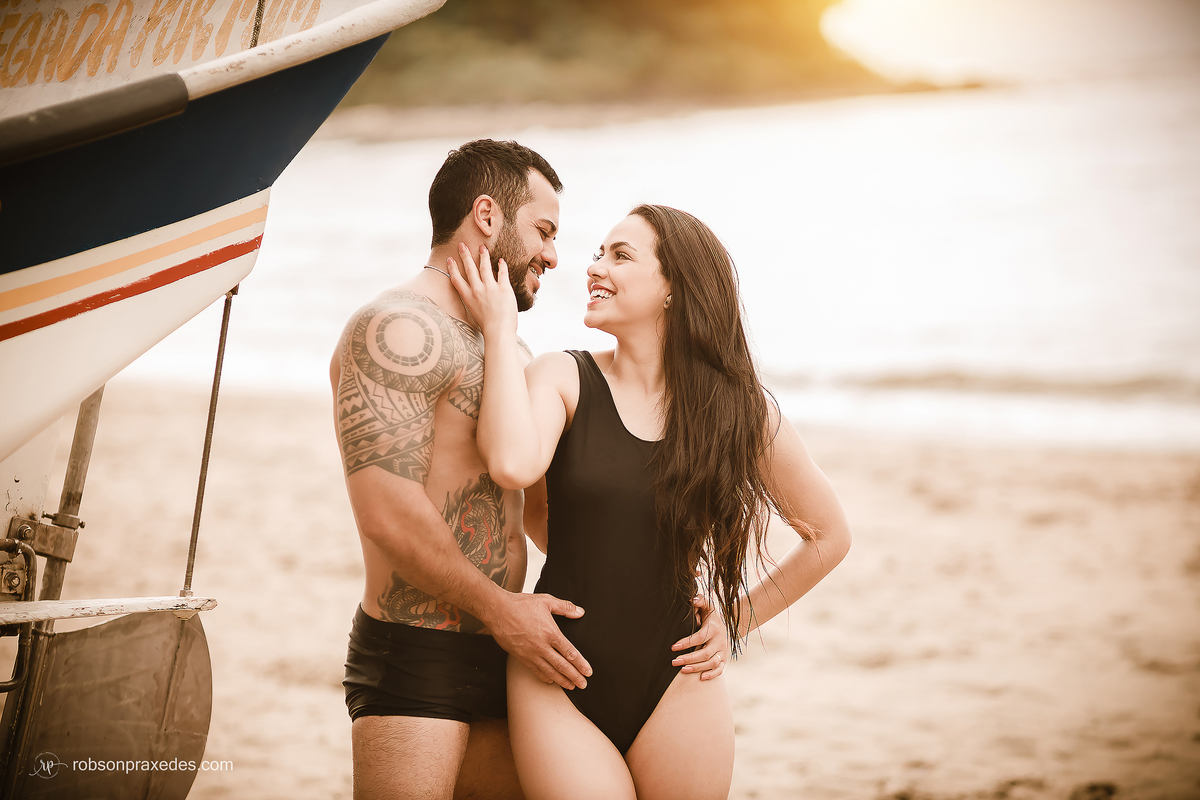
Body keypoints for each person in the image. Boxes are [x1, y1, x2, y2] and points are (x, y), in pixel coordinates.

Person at [331, 143, 729, 800]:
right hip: (420, 650)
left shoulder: (511, 345)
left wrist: (660, 594)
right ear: (487, 217)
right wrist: (501, 609)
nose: (552, 255)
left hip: (521, 650)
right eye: (543, 231)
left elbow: (548, 511)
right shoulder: (396, 328)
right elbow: (385, 510)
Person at [448, 203, 853, 799]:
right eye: (597, 253)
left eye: (620, 255)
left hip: (680, 678)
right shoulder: (563, 375)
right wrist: (500, 330)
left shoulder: (738, 410)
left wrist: (736, 620)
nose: (594, 267)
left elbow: (829, 536)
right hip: (558, 671)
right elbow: (516, 470)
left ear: (672, 289)